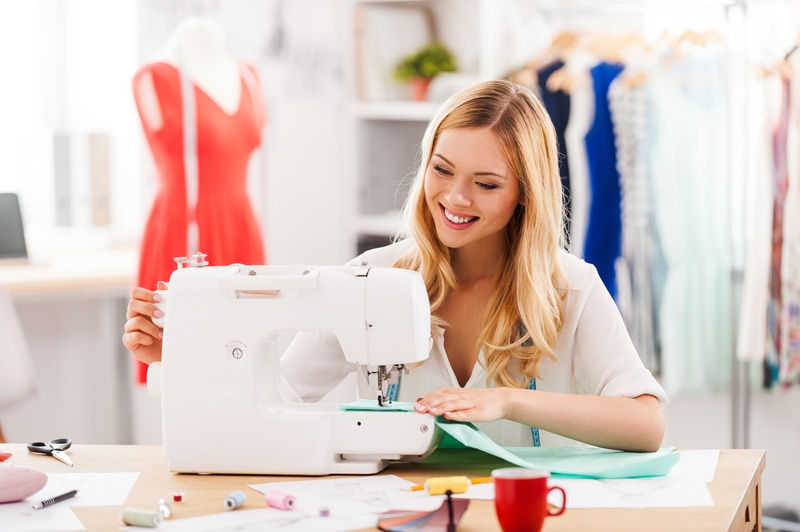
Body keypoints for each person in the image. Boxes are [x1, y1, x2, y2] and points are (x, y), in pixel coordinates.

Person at [124, 79, 667, 452]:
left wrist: (505, 401)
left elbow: (647, 424)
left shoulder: (570, 287)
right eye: (442, 170)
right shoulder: (372, 281)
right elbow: (273, 401)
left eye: (486, 184)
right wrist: (176, 362)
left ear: (526, 194)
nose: (455, 198)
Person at [131, 16, 267, 383]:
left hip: (241, 227)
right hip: (185, 231)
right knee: (176, 366)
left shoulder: (249, 75)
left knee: (248, 360)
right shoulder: (155, 78)